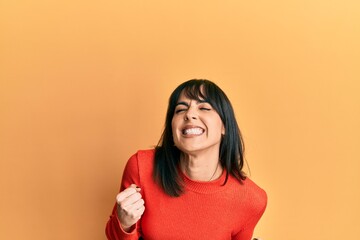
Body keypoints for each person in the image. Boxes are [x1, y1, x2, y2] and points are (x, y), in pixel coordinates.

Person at [105, 79, 267, 240]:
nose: (189, 114)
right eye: (180, 110)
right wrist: (125, 224)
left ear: (224, 126)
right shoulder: (142, 166)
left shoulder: (252, 199)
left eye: (204, 107)